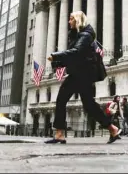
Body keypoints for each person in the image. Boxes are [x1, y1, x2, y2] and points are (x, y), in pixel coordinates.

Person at [45, 11, 122, 144]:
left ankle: (59, 134)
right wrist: (58, 63)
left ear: (77, 20)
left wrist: (56, 56)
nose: (69, 22)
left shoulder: (85, 36)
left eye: (71, 19)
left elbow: (76, 53)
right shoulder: (77, 36)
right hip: (81, 72)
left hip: (82, 73)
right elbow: (73, 57)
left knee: (62, 99)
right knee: (89, 104)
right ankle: (112, 128)